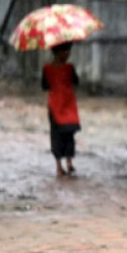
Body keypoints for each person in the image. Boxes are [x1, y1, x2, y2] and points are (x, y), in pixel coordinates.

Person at [42, 42, 81, 177]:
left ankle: (64, 164)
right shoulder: (68, 68)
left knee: (61, 135)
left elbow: (44, 86)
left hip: (59, 104)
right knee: (65, 134)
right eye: (65, 51)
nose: (67, 54)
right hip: (63, 105)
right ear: (57, 52)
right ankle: (64, 163)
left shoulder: (48, 68)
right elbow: (76, 82)